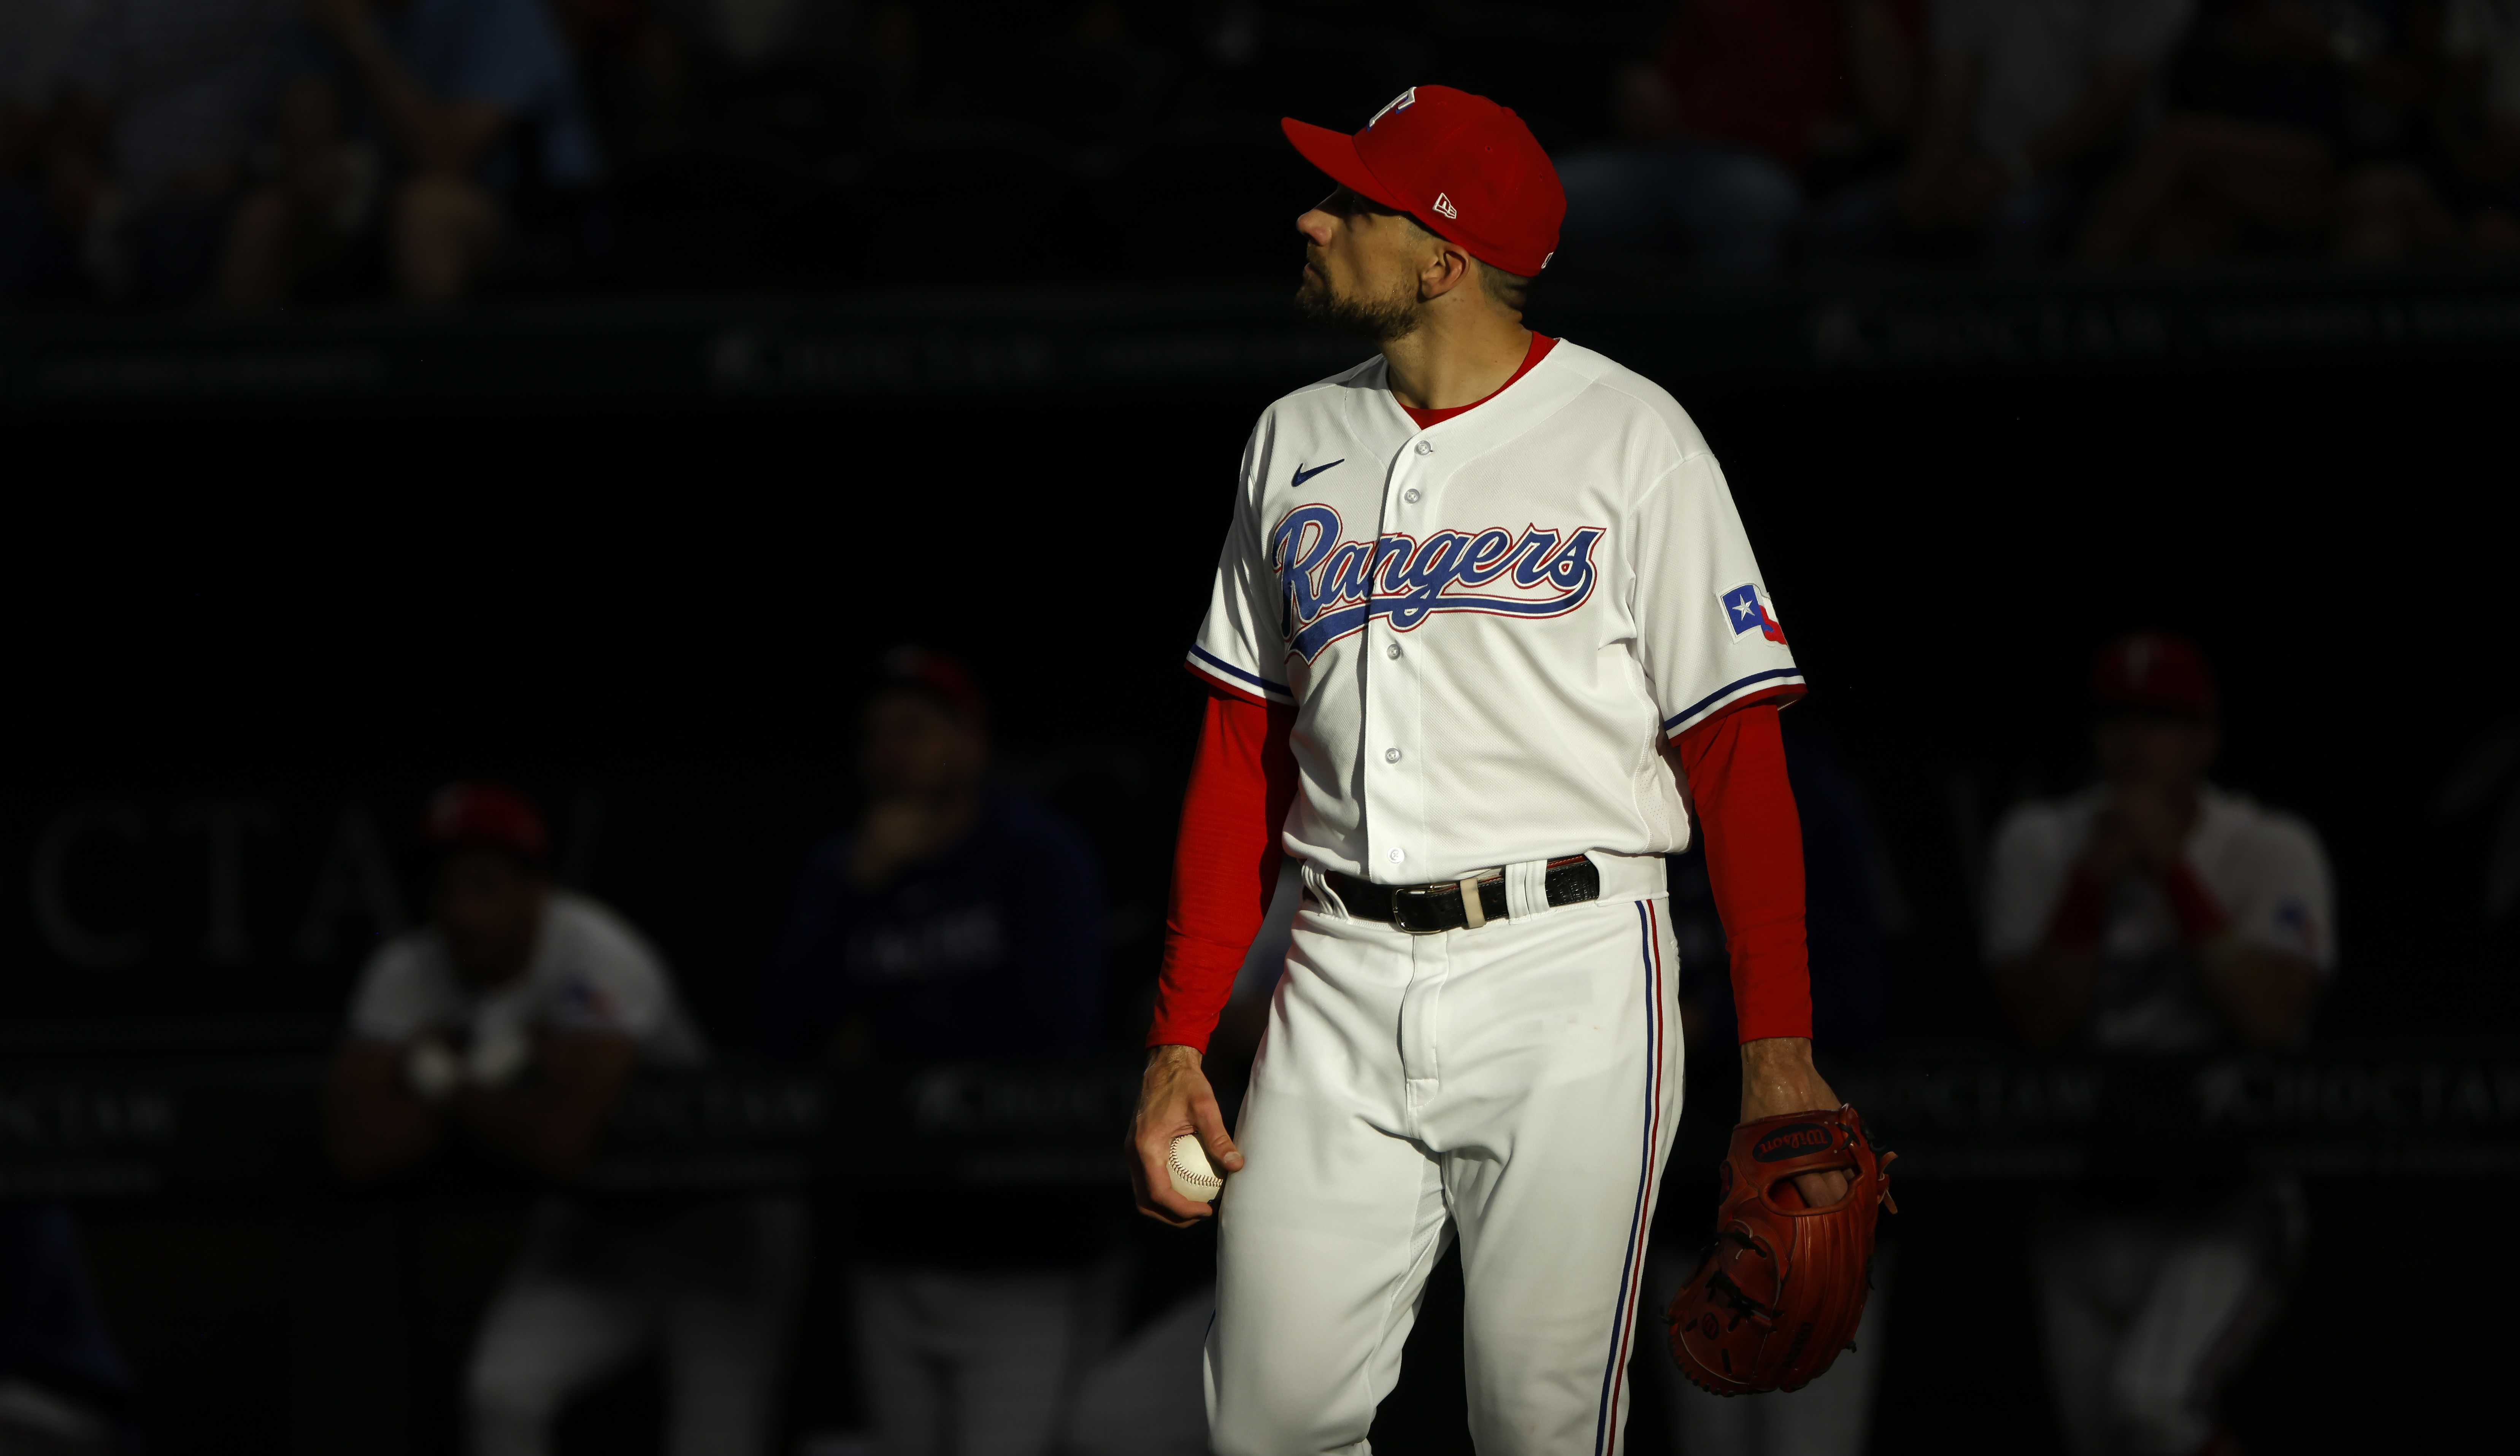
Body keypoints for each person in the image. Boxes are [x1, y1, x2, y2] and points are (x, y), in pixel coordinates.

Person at [1124, 84, 1847, 1454]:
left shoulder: (1632, 438)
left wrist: (1780, 1053)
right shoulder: (1290, 442)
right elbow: (1239, 755)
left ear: (1444, 260)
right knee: (1268, 1426)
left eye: (1351, 203)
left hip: (1569, 973)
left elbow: (1739, 758)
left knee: (1538, 1425)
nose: (1313, 216)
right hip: (1334, 969)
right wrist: (1176, 1037)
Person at [325, 782, 800, 1456]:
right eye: (444, 890)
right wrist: (506, 1076)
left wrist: (435, 1075)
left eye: (484, 887)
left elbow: (560, 1143)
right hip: (598, 1224)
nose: (460, 912)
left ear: (536, 889)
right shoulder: (409, 967)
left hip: (718, 1225)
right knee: (502, 1395)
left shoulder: (597, 952)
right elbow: (356, 1149)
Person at [1985, 634, 2334, 1456]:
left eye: (2161, 720)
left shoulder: (2269, 847)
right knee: (2106, 1439)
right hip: (2081, 1199)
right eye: (2118, 719)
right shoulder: (2038, 843)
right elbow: (2037, 1023)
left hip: (2222, 1197)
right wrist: (2088, 884)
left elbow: (2272, 1017)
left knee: (2149, 1405)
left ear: (2204, 739)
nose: (2135, 742)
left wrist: (2174, 872)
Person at [760, 648, 1107, 1456]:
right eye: (876, 735)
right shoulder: (841, 871)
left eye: (914, 730)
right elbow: (782, 1038)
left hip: (1024, 1243)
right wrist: (856, 883)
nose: (891, 751)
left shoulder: (1033, 855)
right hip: (889, 1237)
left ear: (970, 745)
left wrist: (884, 1036)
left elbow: (1054, 1031)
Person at [1647, 716, 1896, 1456]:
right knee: (1709, 1439)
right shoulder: (1607, 779)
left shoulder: (1799, 787)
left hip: (1797, 1195)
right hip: (1682, 1195)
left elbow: (1861, 999)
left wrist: (1710, 1015)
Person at [219, 0, 601, 307]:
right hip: (375, 202)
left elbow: (446, 157)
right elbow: (308, 163)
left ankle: (425, 386)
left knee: (424, 210)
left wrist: (361, 42)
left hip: (524, 211)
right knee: (264, 218)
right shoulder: (331, 14)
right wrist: (319, 171)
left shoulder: (500, 11)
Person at [1556, 0, 1923, 275]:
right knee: (1528, 202)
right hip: (1670, 153)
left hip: (1768, 165)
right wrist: (1647, 90)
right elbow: (1670, 77)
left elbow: (1894, 112)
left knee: (1748, 205)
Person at [2079, 0, 2454, 262]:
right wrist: (2240, 48)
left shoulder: (2402, 7)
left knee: (2176, 140)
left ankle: (2073, 299)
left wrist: (2329, 48)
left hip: (2342, 160)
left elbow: (2422, 92)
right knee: (2175, 241)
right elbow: (2206, 72)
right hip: (2249, 158)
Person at [39, 0, 297, 302]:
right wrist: (75, 170)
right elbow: (80, 119)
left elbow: (307, 103)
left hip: (237, 193)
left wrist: (244, 171)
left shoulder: (273, 12)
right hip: (124, 205)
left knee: (180, 237)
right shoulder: (123, 12)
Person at [1900, 0, 2195, 262]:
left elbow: (2117, 96)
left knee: (2019, 221)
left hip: (2089, 166)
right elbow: (1956, 65)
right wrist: (1934, 165)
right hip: (1976, 157)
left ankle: (2020, 323)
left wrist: (2011, 171)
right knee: (1865, 221)